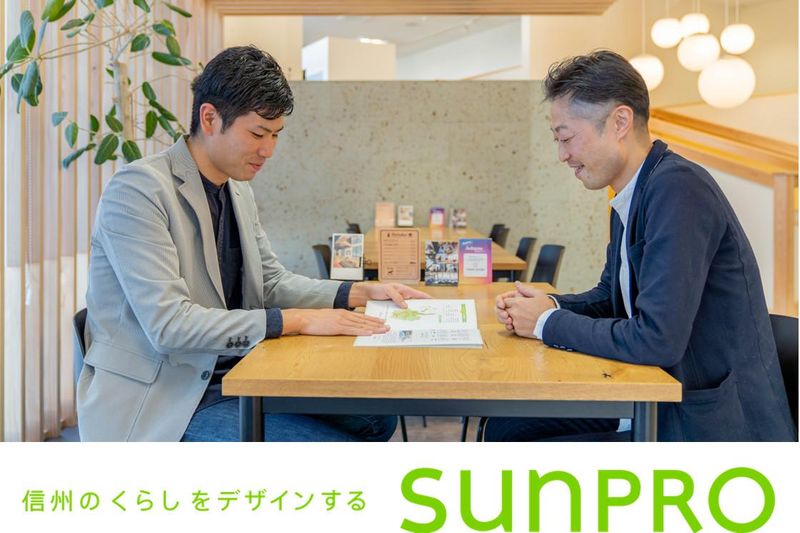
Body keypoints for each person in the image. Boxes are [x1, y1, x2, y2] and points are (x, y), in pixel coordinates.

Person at [77, 46, 429, 442]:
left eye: (275, 135)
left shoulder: (237, 189)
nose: (268, 150)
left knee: (376, 417)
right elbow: (169, 325)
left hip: (235, 370)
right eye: (258, 134)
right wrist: (296, 320)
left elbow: (271, 282)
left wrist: (359, 292)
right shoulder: (139, 190)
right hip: (168, 395)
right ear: (209, 118)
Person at [490, 50, 795, 442]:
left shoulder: (678, 189)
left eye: (566, 138)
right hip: (656, 399)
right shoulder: (633, 194)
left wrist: (547, 323)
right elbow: (610, 297)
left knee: (513, 438)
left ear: (620, 122)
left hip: (705, 424)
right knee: (508, 425)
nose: (562, 155)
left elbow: (657, 339)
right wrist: (550, 305)